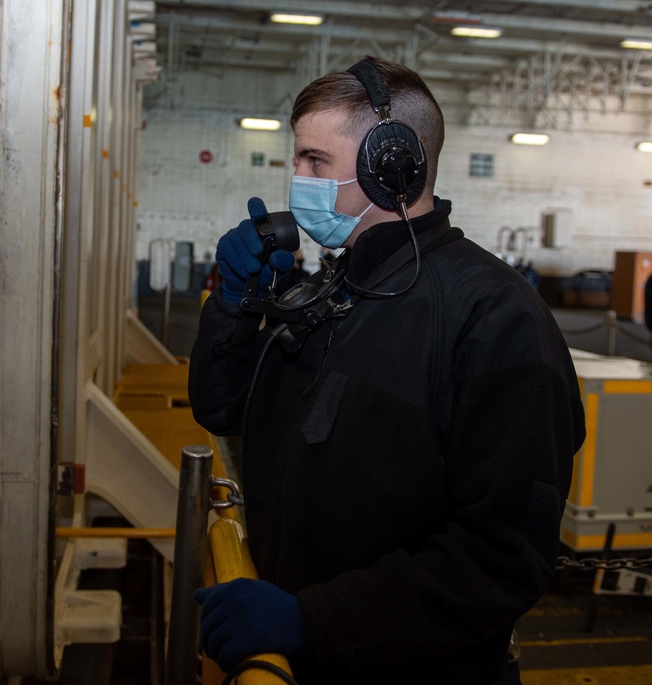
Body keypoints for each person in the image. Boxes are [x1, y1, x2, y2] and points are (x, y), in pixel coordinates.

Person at [188, 57, 585, 684]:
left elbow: (503, 557)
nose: (299, 179)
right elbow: (221, 407)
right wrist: (233, 307)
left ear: (391, 164)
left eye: (316, 161)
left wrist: (313, 621)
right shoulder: (337, 290)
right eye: (297, 160)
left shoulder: (494, 317)